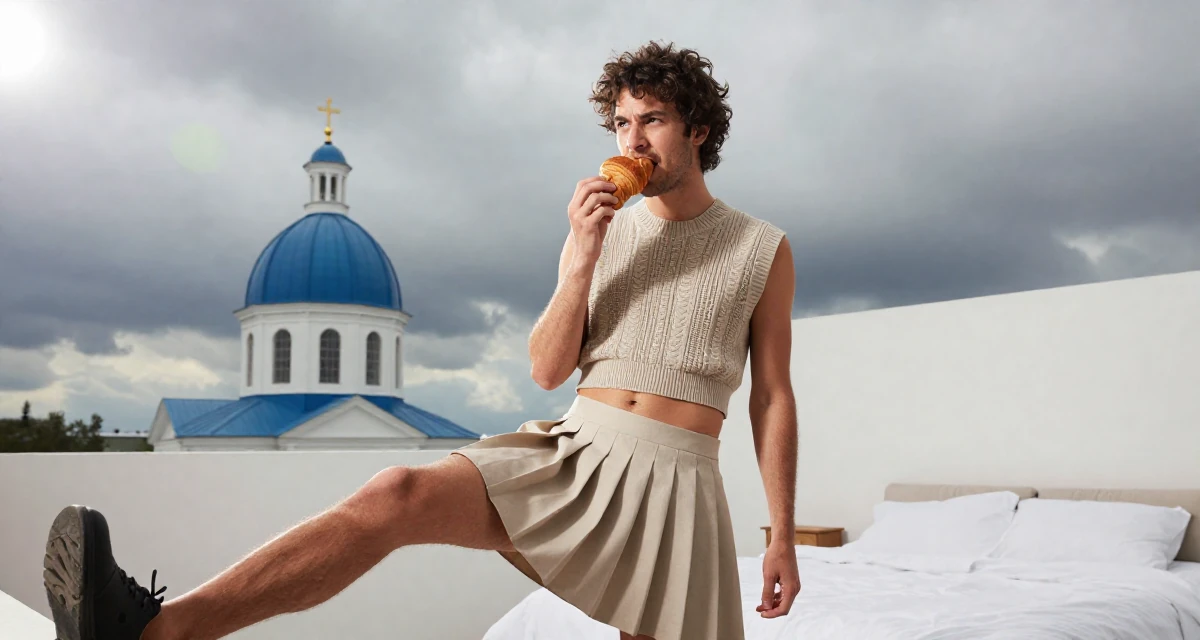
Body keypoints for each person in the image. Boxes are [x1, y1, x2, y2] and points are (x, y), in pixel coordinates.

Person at [40, 40, 800, 640]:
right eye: (621, 124)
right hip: (578, 455)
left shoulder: (761, 247)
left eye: (653, 121)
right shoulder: (600, 227)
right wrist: (580, 258)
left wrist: (782, 536)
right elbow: (545, 369)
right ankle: (161, 632)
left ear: (698, 128)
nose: (632, 140)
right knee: (395, 492)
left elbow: (772, 400)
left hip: (675, 484)